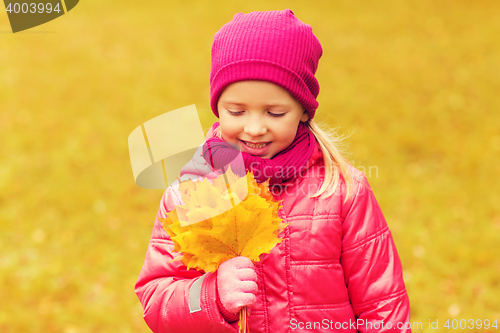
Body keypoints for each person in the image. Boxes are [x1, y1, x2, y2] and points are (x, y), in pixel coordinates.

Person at [135, 9, 411, 333]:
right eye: (236, 111)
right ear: (217, 107)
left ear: (303, 111)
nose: (254, 128)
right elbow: (157, 299)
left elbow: (382, 304)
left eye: (275, 112)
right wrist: (213, 296)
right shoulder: (192, 194)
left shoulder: (342, 191)